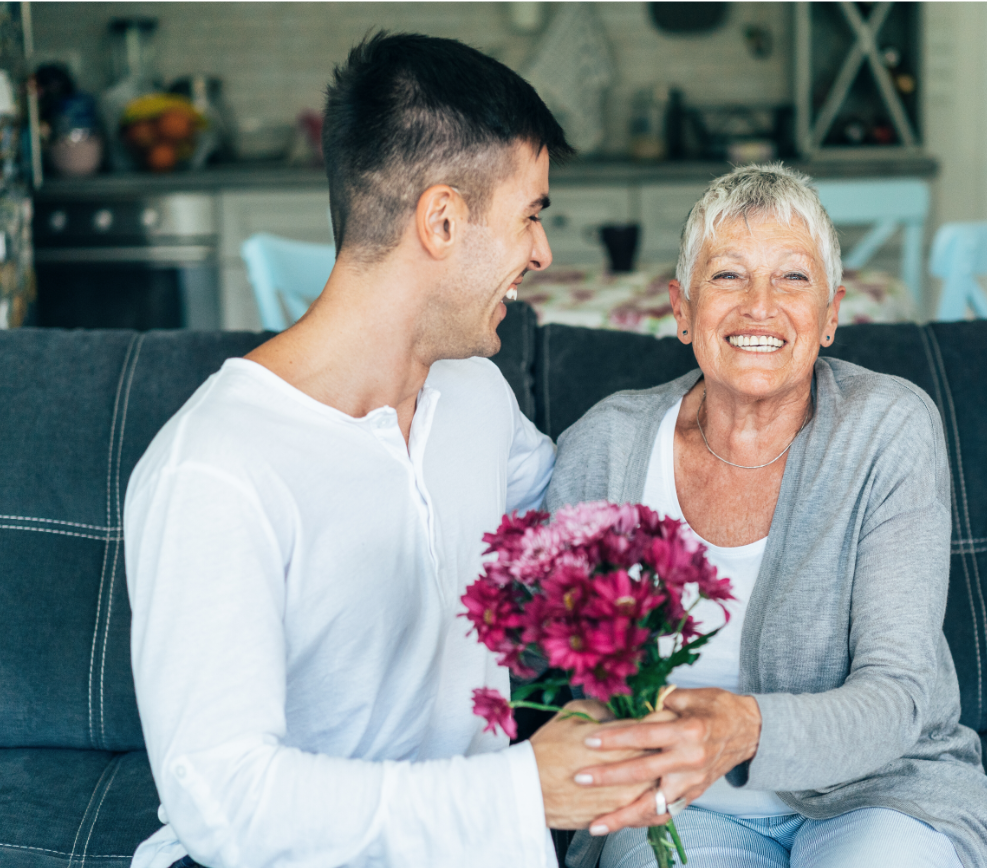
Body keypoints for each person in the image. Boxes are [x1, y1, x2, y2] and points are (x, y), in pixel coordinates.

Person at [124, 33, 653, 868]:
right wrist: (521, 790)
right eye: (531, 216)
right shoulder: (215, 468)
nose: (543, 254)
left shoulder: (473, 394)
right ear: (441, 220)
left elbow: (573, 525)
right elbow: (224, 802)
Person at [545, 164, 987, 868]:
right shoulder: (603, 450)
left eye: (793, 278)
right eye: (728, 276)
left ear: (830, 316)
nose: (759, 305)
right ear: (680, 308)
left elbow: (899, 697)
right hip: (678, 808)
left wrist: (746, 731)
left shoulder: (886, 428)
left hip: (879, 793)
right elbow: (567, 679)